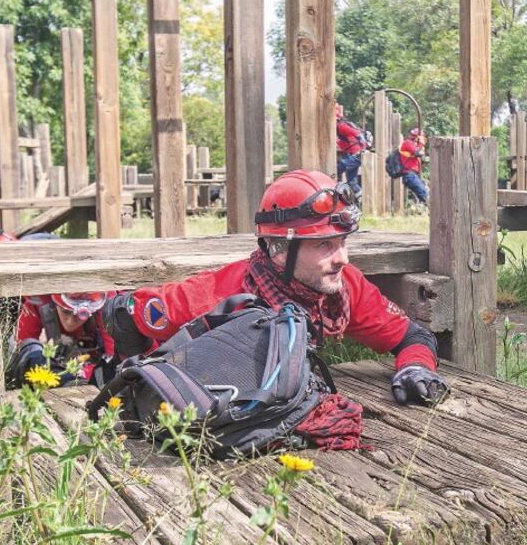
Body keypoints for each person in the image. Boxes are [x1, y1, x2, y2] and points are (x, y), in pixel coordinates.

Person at [103, 170, 448, 409]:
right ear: (280, 249)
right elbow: (123, 313)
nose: (342, 258)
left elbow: (412, 337)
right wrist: (132, 382)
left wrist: (415, 367)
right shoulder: (218, 295)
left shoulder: (345, 287)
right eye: (325, 245)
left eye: (343, 242)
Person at [10, 291, 119, 388]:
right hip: (55, 369)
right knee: (30, 351)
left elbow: (114, 358)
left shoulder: (107, 309)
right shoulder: (38, 303)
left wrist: (83, 373)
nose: (70, 322)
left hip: (92, 371)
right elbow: (21, 347)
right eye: (66, 311)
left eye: (80, 315)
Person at [335, 103, 368, 198]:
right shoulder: (339, 129)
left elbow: (358, 134)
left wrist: (362, 148)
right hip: (352, 155)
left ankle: (339, 194)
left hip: (355, 156)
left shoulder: (341, 126)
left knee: (336, 169)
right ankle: (362, 201)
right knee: (352, 183)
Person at [399, 127, 429, 204]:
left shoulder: (415, 145)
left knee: (424, 192)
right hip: (409, 174)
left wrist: (421, 146)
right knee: (424, 194)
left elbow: (422, 159)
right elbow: (417, 153)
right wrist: (421, 144)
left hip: (413, 174)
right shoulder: (408, 143)